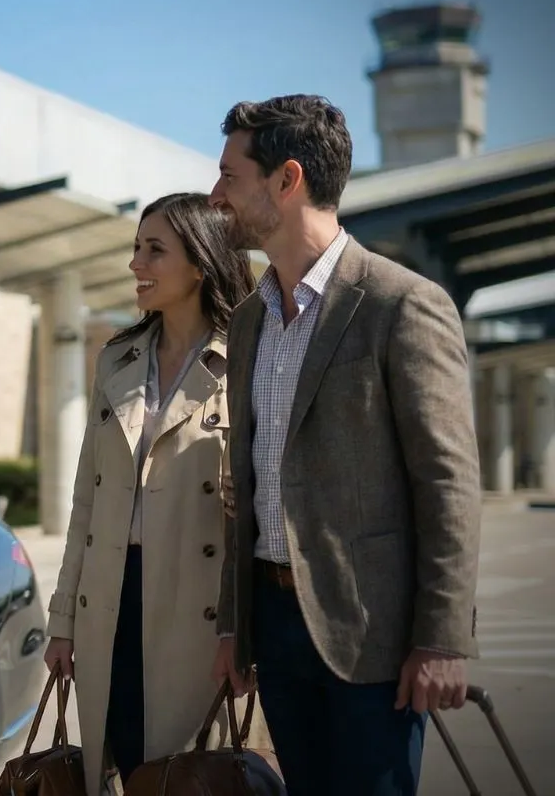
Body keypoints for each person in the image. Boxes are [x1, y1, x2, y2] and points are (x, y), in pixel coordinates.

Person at [208, 94, 483, 796]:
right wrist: (235, 629)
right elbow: (250, 484)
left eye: (229, 176)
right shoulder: (248, 322)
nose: (216, 197)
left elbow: (446, 482)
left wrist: (442, 637)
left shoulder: (402, 304)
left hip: (374, 639)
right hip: (275, 627)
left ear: (287, 179)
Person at [44, 191, 261, 794]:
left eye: (154, 250)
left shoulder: (247, 361)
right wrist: (63, 623)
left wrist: (239, 635)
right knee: (120, 764)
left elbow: (256, 517)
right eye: (136, 247)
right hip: (109, 601)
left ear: (200, 263)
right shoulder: (115, 359)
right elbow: (86, 502)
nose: (136, 264)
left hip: (196, 615)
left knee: (184, 777)